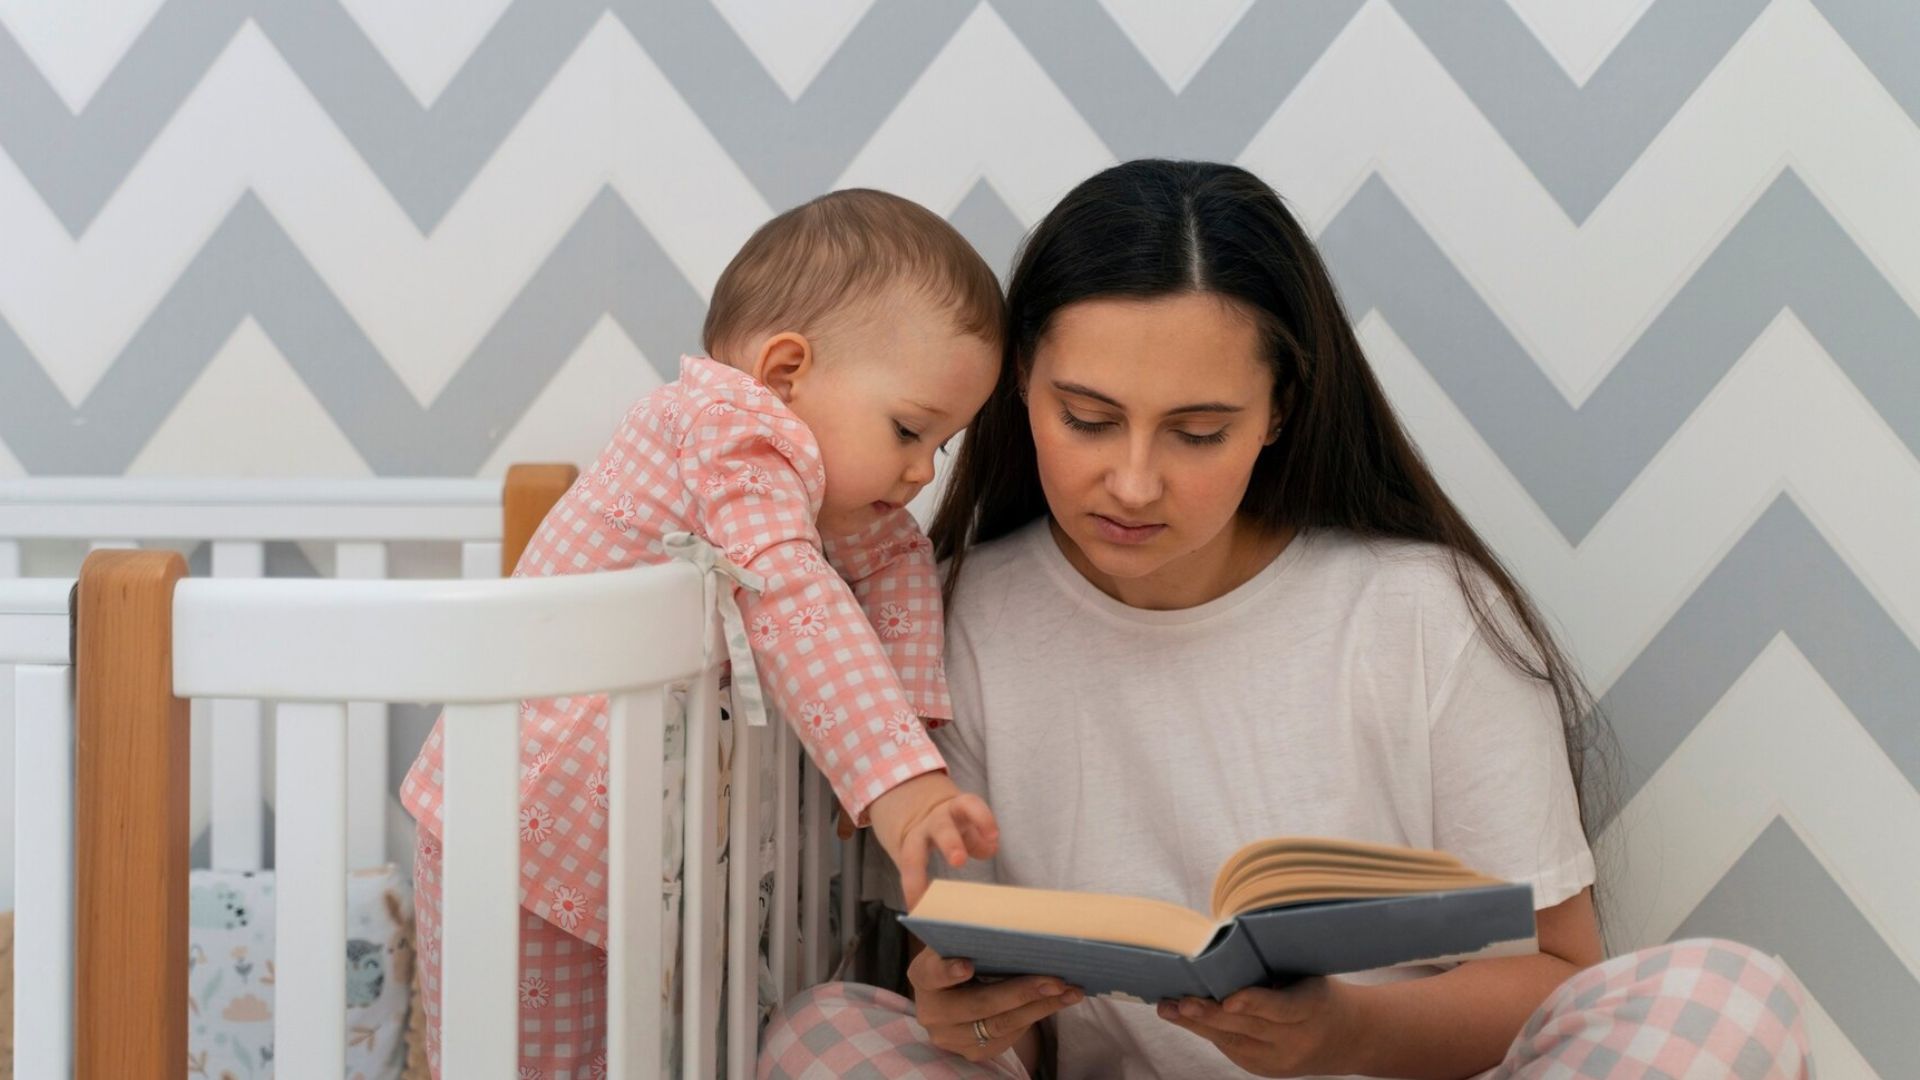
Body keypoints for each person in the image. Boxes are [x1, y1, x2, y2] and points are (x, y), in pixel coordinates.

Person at [758, 161, 1811, 1079]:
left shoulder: (1427, 613)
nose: (1132, 482)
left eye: (1198, 431)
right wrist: (975, 1021)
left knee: (1726, 1002)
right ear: (1018, 385)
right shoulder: (960, 618)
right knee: (826, 1034)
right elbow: (1011, 1017)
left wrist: (1343, 1033)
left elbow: (1559, 975)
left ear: (1279, 414)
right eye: (1086, 419)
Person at [403, 188, 1006, 1077]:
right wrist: (898, 784)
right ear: (785, 373)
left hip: (616, 844)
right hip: (516, 825)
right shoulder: (731, 431)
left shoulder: (814, 487)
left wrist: (912, 725)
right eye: (910, 429)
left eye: (941, 446)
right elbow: (786, 591)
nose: (921, 470)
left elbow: (897, 555)